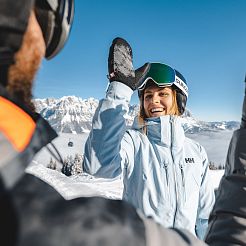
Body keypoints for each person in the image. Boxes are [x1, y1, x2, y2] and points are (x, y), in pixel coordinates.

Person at [83, 37, 215, 239]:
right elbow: (98, 165)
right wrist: (119, 89)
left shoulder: (195, 152)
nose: (154, 100)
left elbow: (205, 217)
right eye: (147, 95)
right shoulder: (134, 142)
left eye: (163, 94)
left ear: (179, 101)